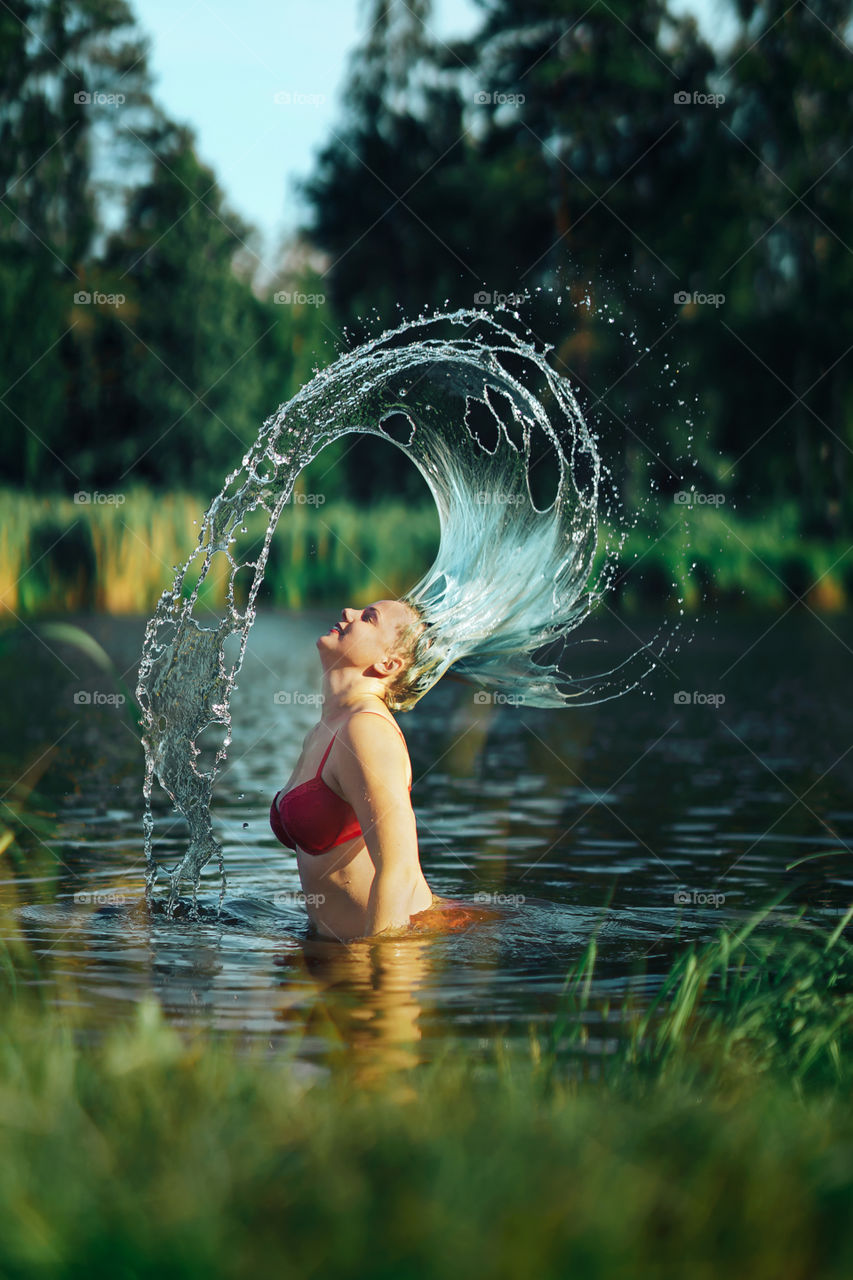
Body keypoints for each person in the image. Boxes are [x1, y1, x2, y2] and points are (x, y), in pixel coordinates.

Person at [270, 597, 452, 941]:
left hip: (385, 946)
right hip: (333, 949)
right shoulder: (322, 732)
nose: (347, 612)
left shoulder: (367, 730)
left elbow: (399, 872)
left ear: (388, 663)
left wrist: (385, 982)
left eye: (369, 618)